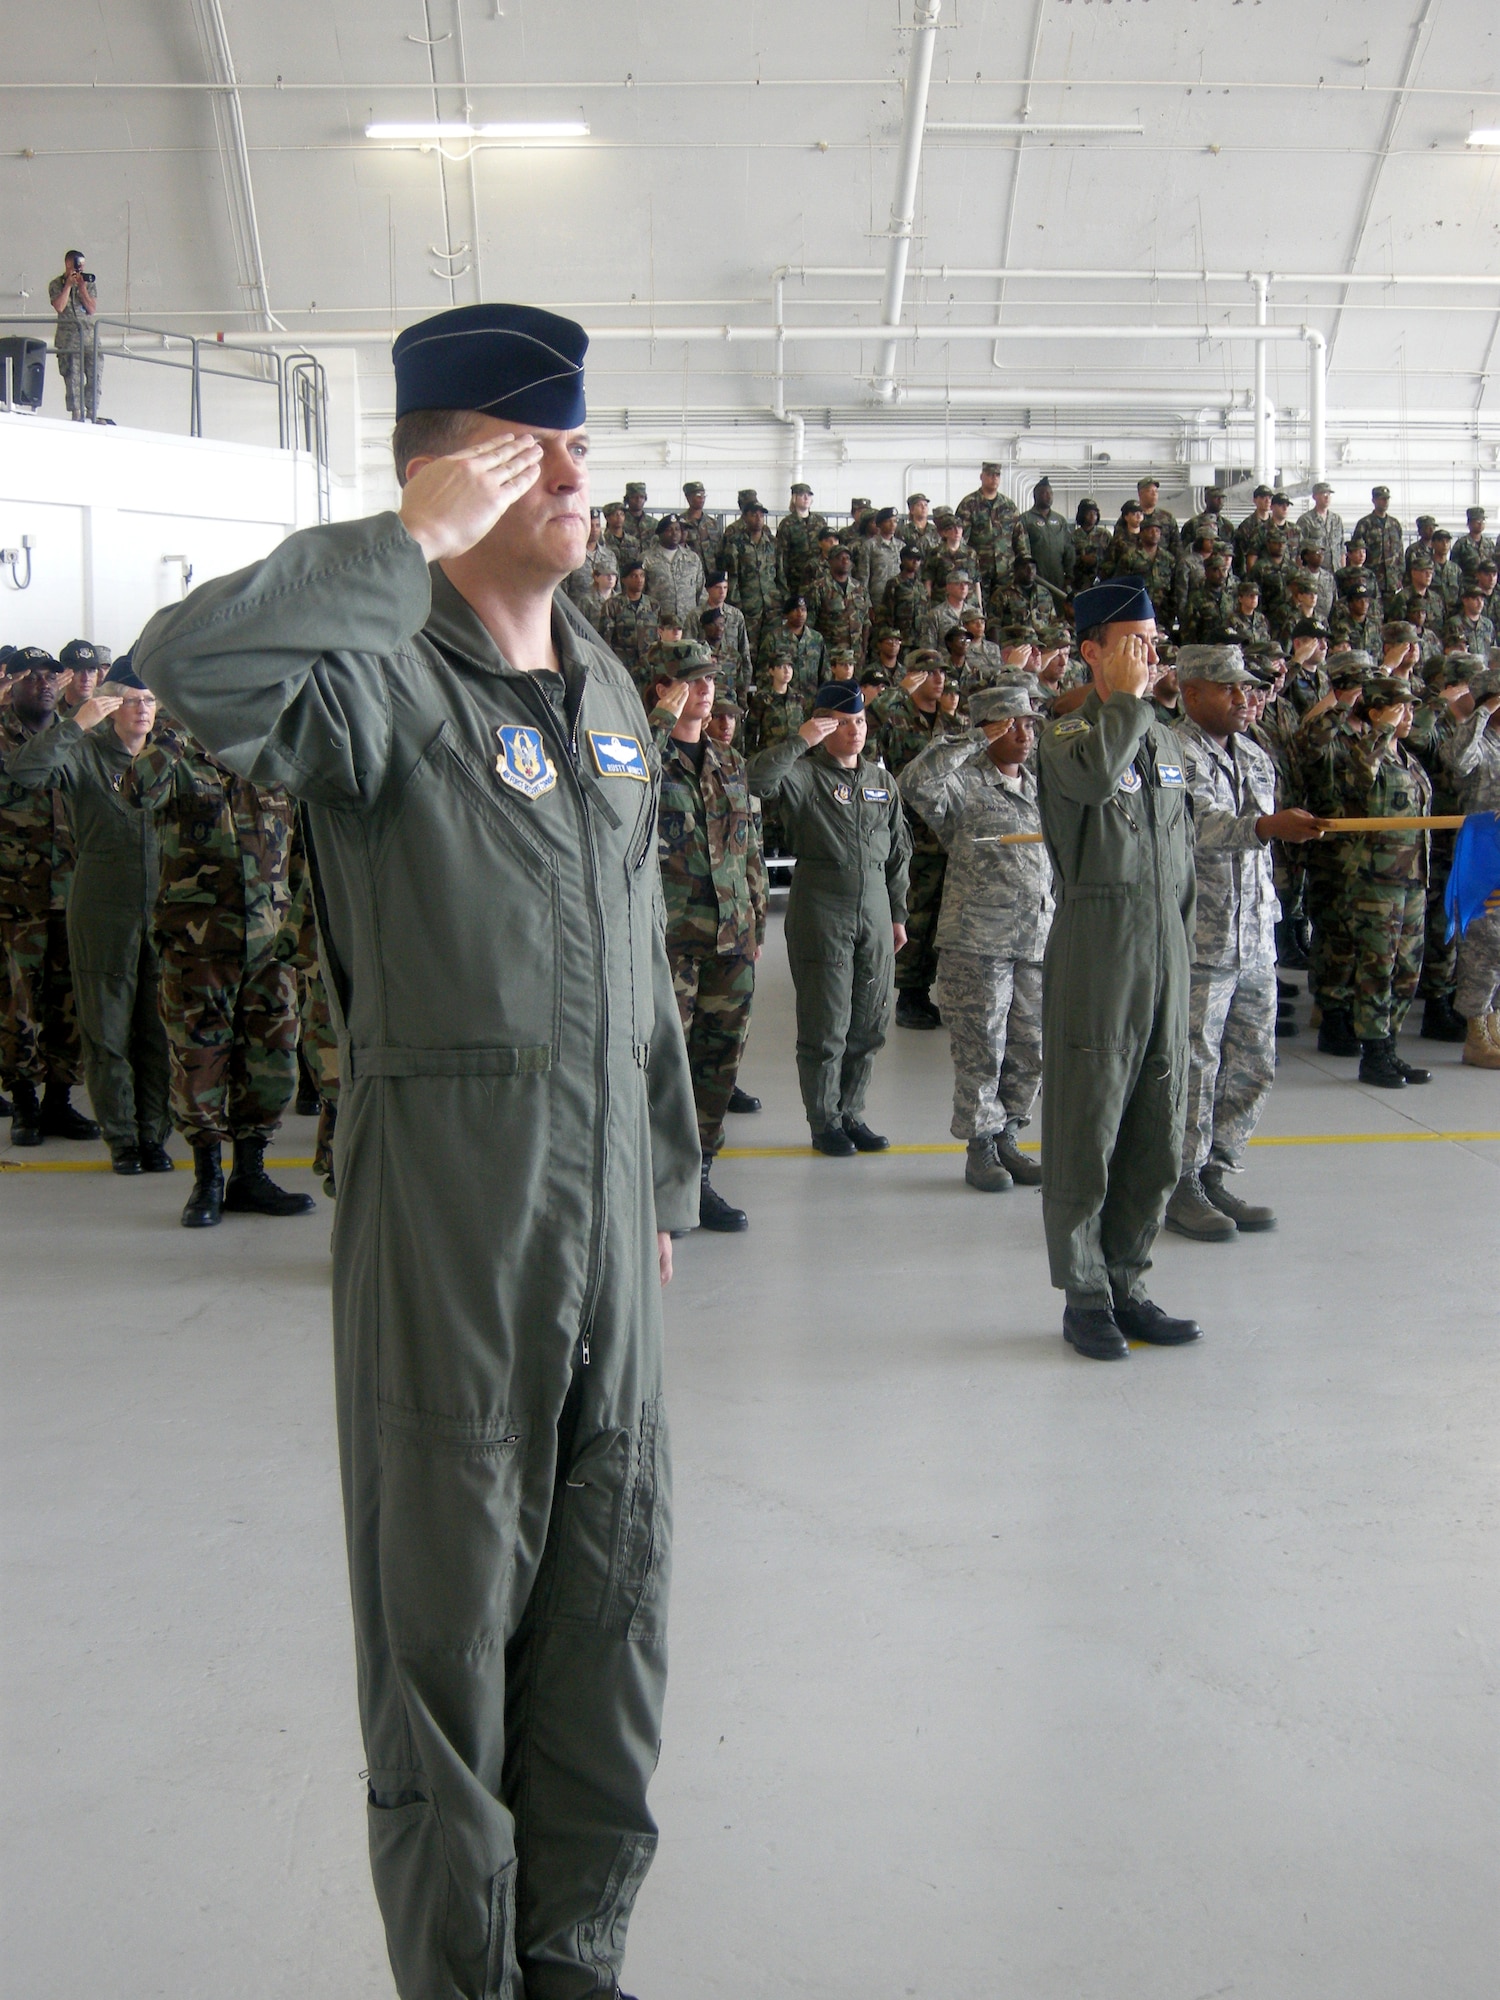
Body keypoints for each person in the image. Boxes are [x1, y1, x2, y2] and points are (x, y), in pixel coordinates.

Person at [135, 302, 700, 2000]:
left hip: (605, 1213)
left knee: (611, 1611)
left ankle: (574, 1960)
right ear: (457, 465)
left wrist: (660, 1180)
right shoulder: (373, 681)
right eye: (541, 448)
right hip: (455, 1207)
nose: (581, 471)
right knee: (446, 1636)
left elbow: (644, 953)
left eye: (583, 441)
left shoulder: (604, 681)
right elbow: (191, 670)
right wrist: (405, 543)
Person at [1034, 579, 1202, 1362]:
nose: (1150, 655)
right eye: (1135, 641)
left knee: (1157, 1126)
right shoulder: (1068, 736)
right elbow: (1100, 779)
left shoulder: (1165, 741)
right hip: (1099, 947)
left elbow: (1183, 852)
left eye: (1154, 641)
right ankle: (1086, 1294)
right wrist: (1127, 701)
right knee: (1088, 1125)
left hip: (1164, 946)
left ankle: (1130, 1279)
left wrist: (1184, 943)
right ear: (1092, 650)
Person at [123, 718, 315, 1227]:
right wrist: (178, 727)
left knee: (273, 1065)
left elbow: (297, 848)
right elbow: (135, 791)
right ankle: (206, 1177)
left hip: (268, 947)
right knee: (198, 1064)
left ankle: (250, 1173)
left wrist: (295, 929)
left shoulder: (273, 755)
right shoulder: (178, 754)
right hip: (198, 946)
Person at [1162, 647, 1324, 1242]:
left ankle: (1218, 1170)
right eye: (1228, 688)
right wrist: (1264, 828)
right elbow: (1192, 826)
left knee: (1253, 1062)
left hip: (1255, 934)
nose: (1242, 698)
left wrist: (1280, 831)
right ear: (1191, 690)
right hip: (1200, 937)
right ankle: (1179, 1182)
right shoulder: (1167, 751)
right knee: (1195, 1064)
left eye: (1247, 688)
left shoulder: (1256, 755)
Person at [2, 659, 172, 1173]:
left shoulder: (168, 758)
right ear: (111, 705)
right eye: (131, 700)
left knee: (158, 1029)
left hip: (164, 909)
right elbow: (25, 771)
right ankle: (123, 1139)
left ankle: (153, 1134)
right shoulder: (83, 754)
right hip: (101, 905)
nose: (142, 710)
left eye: (150, 701)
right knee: (106, 1027)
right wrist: (77, 723)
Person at [899, 683, 1053, 1192]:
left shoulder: (1041, 785)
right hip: (978, 940)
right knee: (981, 1048)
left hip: (1035, 938)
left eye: (1031, 724)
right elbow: (914, 783)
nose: (1026, 733)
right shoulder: (962, 784)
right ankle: (980, 1147)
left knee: (1030, 1047)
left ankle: (1010, 1134)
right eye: (1014, 723)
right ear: (989, 728)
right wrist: (970, 740)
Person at [747, 680, 910, 1155]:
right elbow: (757, 781)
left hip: (876, 905)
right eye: (841, 723)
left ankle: (852, 1113)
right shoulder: (803, 775)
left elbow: (899, 851)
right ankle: (824, 1122)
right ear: (822, 726)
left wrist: (898, 914)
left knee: (870, 1021)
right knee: (826, 1022)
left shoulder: (882, 782)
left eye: (859, 721)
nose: (854, 730)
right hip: (823, 902)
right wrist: (801, 740)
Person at [643, 642, 766, 1232]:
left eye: (710, 679)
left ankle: (699, 1179)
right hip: (669, 944)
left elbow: (751, 852)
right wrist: (659, 723)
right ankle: (651, 1189)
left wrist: (756, 923)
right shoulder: (639, 757)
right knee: (661, 1069)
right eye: (690, 680)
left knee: (717, 1067)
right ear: (665, 688)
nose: (704, 689)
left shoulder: (729, 762)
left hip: (729, 942)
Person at [1301, 672, 1433, 1088]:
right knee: (1378, 968)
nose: (1409, 714)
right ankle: (1373, 1052)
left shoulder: (1407, 759)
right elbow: (1359, 779)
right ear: (1376, 712)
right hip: (1377, 880)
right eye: (1400, 706)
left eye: (1411, 706)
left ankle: (1390, 1046)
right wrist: (1382, 732)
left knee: (1408, 970)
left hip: (1412, 878)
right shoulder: (1362, 753)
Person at [0, 647, 99, 1147]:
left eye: (48, 676)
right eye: (30, 676)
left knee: (68, 1004)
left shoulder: (77, 733)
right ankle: (24, 1104)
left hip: (71, 893)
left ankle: (60, 1102)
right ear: (11, 684)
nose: (43, 684)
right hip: (13, 896)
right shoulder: (6, 736)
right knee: (17, 1007)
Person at [869, 655, 959, 1030]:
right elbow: (867, 733)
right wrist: (893, 694)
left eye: (943, 673)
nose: (939, 680)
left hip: (945, 832)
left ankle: (924, 992)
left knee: (938, 916)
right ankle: (907, 995)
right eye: (931, 672)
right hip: (910, 833)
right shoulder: (894, 716)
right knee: (913, 915)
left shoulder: (951, 721)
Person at [1443, 668, 1500, 1067]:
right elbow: (1458, 761)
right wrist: (1482, 713)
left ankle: (1494, 1022)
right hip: (1482, 854)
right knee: (1482, 942)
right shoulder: (1478, 740)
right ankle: (1475, 1030)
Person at [48, 249, 100, 421]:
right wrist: (68, 286)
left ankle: (92, 413)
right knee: (72, 377)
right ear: (68, 264)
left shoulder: (88, 282)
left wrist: (82, 288)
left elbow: (92, 309)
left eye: (82, 268)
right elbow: (59, 306)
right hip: (68, 339)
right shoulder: (56, 284)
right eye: (77, 267)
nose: (80, 271)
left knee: (95, 375)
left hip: (89, 338)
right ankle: (77, 414)